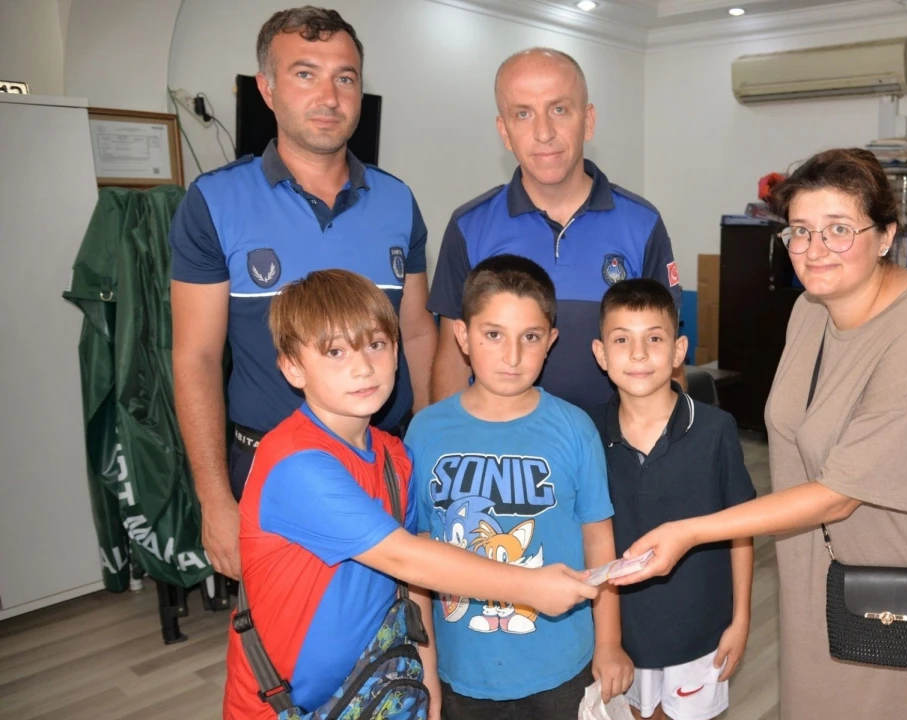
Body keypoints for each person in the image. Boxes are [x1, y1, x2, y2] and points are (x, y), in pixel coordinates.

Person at [613, 148, 907, 719]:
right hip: (815, 561)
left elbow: (841, 495)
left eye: (838, 229)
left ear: (886, 236)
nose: (814, 251)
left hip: (896, 576)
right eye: (800, 231)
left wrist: (690, 531)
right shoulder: (812, 308)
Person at [224, 268, 596, 720]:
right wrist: (531, 586)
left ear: (397, 351)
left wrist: (425, 673)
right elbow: (405, 557)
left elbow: (414, 573)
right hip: (285, 706)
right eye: (336, 352)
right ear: (292, 367)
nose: (363, 367)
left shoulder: (393, 454)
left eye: (376, 345)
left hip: (378, 690)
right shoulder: (294, 462)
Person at [170, 6, 437, 582]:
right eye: (305, 74)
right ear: (267, 89)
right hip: (269, 469)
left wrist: (436, 449)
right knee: (290, 632)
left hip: (383, 460)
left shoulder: (398, 201)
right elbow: (196, 357)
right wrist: (214, 499)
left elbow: (416, 332)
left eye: (345, 77)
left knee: (397, 623)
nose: (329, 96)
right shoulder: (214, 202)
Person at [405, 254, 629, 719]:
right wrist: (426, 671)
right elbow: (415, 559)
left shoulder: (575, 429)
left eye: (530, 337)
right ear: (462, 336)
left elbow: (598, 539)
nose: (512, 356)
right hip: (461, 671)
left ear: (551, 341)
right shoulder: (425, 432)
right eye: (493, 334)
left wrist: (609, 643)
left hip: (561, 665)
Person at [429, 47, 683, 411]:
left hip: (618, 443)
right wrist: (443, 437)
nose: (544, 132)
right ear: (504, 132)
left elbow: (666, 355)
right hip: (502, 443)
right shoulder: (468, 226)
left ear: (588, 121)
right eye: (523, 114)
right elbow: (453, 360)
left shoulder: (643, 223)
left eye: (559, 109)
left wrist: (676, 439)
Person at [587, 279, 756, 720]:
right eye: (621, 340)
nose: (638, 354)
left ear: (679, 350)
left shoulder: (716, 429)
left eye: (654, 339)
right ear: (600, 354)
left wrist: (740, 620)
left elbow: (742, 530)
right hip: (623, 633)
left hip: (701, 631)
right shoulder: (586, 433)